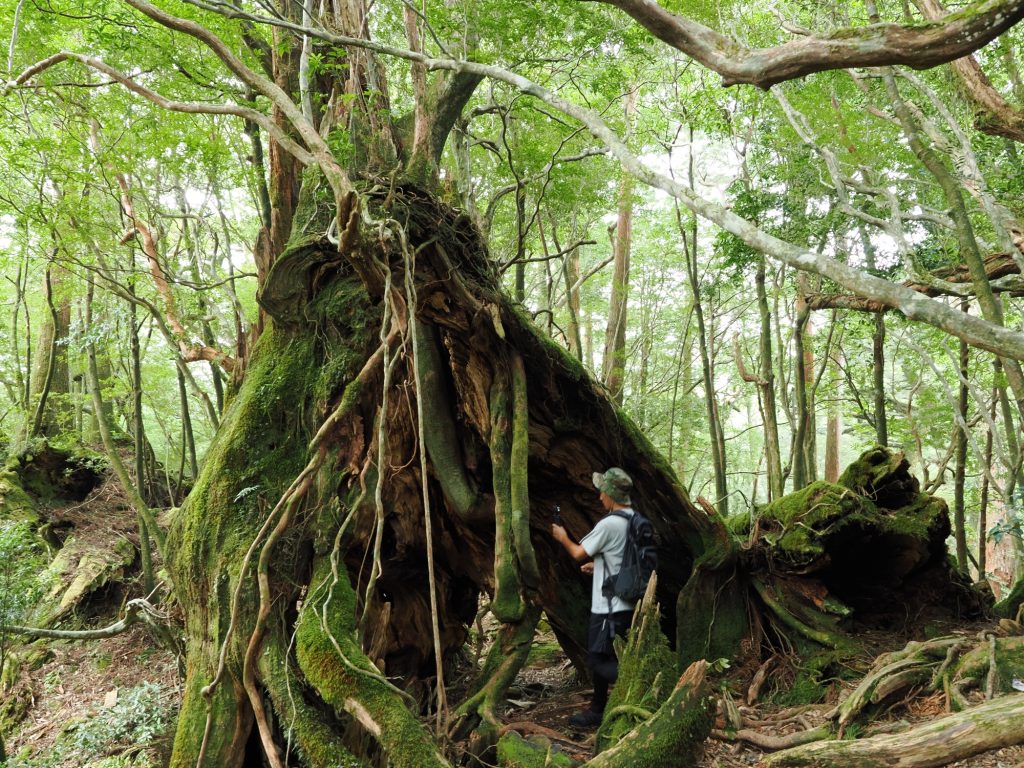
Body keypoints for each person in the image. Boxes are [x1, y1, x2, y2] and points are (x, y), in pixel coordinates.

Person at [551, 467, 637, 728]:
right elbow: (621, 557)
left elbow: (578, 552)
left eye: (603, 492)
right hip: (626, 601)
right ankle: (598, 710)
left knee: (596, 661)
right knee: (607, 657)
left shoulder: (609, 524)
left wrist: (563, 537)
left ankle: (639, 682)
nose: (600, 497)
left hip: (607, 606)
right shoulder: (634, 520)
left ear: (611, 494)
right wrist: (597, 566)